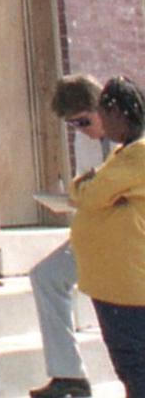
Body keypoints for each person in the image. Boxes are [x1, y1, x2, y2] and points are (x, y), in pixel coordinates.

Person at [30, 74, 111, 398]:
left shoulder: (132, 136)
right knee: (46, 276)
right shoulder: (86, 140)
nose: (81, 129)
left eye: (83, 121)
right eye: (73, 124)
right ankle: (69, 376)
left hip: (128, 235)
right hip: (95, 231)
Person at [71, 77, 145, 397]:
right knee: (132, 369)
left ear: (117, 112)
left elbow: (89, 193)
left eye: (103, 111)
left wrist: (83, 189)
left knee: (135, 367)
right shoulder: (122, 154)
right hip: (116, 283)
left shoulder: (138, 155)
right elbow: (94, 191)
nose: (100, 119)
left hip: (127, 287)